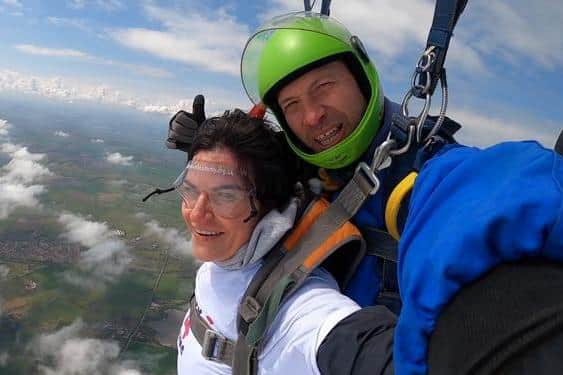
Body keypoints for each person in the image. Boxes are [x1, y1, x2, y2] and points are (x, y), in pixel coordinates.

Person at [237, 11, 563, 375]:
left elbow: (482, 194)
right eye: (292, 106)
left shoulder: (422, 163)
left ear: (361, 78)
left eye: (323, 87)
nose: (312, 117)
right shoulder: (301, 168)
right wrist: (222, 154)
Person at [175, 109, 380, 374]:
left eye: (225, 197)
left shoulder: (298, 308)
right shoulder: (229, 257)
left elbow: (356, 344)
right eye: (190, 190)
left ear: (269, 209)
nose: (197, 214)